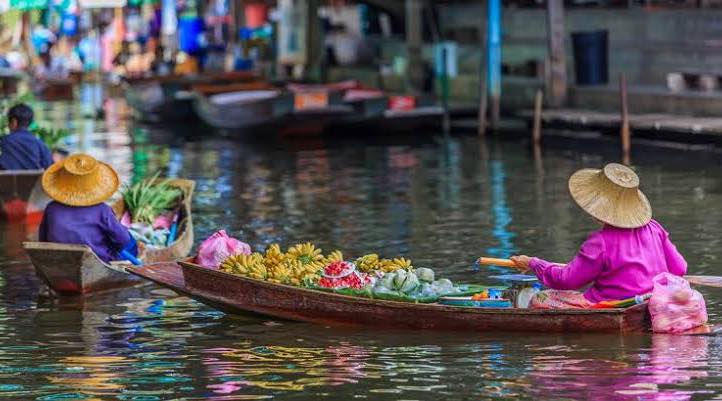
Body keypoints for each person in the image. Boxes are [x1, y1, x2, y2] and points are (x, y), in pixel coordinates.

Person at [510, 163, 687, 309]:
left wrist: (534, 264)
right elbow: (679, 268)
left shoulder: (599, 242)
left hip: (612, 305)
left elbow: (568, 279)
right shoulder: (654, 228)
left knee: (539, 298)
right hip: (650, 302)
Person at [38, 153, 139, 263]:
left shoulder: (51, 208)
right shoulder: (102, 210)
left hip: (58, 260)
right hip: (99, 259)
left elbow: (43, 239)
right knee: (130, 242)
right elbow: (123, 239)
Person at [0, 104, 53, 170]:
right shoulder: (40, 143)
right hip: (34, 180)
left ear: (14, 122)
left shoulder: (4, 141)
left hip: (6, 180)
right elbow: (50, 167)